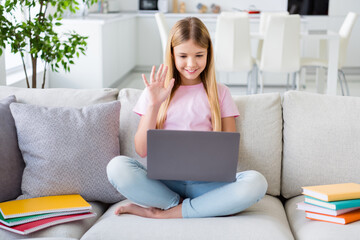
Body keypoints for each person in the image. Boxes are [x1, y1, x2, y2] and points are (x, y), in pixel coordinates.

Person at [107, 17, 268, 219]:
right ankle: (184, 206)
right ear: (172, 55)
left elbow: (229, 153)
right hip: (165, 185)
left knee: (257, 182)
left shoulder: (221, 93)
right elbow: (141, 149)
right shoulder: (154, 93)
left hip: (208, 185)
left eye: (199, 55)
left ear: (208, 55)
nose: (191, 64)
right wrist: (154, 104)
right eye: (183, 55)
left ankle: (167, 212)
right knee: (117, 167)